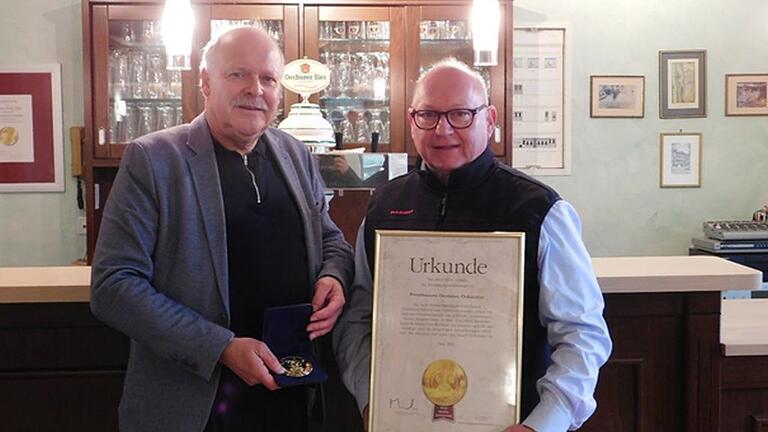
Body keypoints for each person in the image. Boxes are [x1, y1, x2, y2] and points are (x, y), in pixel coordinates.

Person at [90, 25, 354, 432]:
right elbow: (114, 286)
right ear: (205, 83)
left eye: (268, 78)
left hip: (291, 396)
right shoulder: (154, 159)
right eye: (238, 74)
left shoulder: (295, 154)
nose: (256, 89)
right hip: (197, 407)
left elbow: (330, 239)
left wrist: (334, 276)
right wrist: (222, 348)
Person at [333, 58, 612, 432]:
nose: (443, 129)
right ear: (412, 120)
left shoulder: (538, 209)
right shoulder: (384, 206)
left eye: (461, 114)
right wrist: (373, 401)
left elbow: (582, 333)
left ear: (490, 119)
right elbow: (358, 318)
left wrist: (544, 424)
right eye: (428, 115)